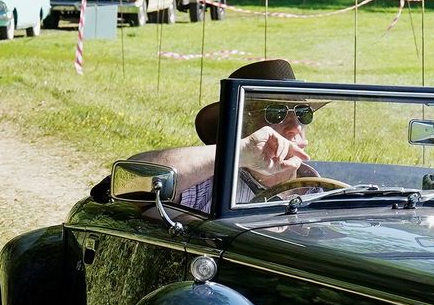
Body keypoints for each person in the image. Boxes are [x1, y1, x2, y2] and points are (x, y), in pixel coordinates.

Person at [131, 58, 320, 212]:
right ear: (241, 126)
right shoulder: (211, 185)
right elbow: (133, 181)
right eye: (276, 113)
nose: (295, 125)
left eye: (303, 113)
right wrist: (238, 152)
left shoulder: (325, 191)